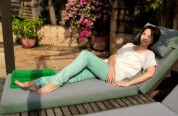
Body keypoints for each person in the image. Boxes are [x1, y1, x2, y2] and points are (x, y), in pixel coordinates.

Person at [15, 25, 161, 94]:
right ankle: (37, 83)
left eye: (150, 36)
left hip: (115, 76)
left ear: (153, 40)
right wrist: (110, 66)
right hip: (106, 68)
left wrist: (127, 83)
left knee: (85, 55)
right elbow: (114, 56)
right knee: (73, 75)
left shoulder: (149, 55)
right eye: (144, 34)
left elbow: (149, 73)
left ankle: (53, 84)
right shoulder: (130, 45)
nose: (145, 37)